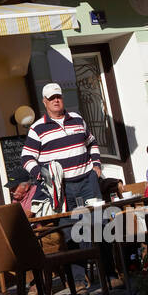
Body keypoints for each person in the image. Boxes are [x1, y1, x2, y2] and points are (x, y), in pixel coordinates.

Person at [21, 83, 103, 212]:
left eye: (58, 96)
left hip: (88, 180)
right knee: (71, 225)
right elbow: (26, 158)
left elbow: (91, 143)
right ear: (44, 101)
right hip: (62, 187)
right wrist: (43, 175)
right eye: (52, 98)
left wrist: (96, 164)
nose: (56, 100)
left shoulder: (77, 119)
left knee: (98, 221)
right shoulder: (37, 128)